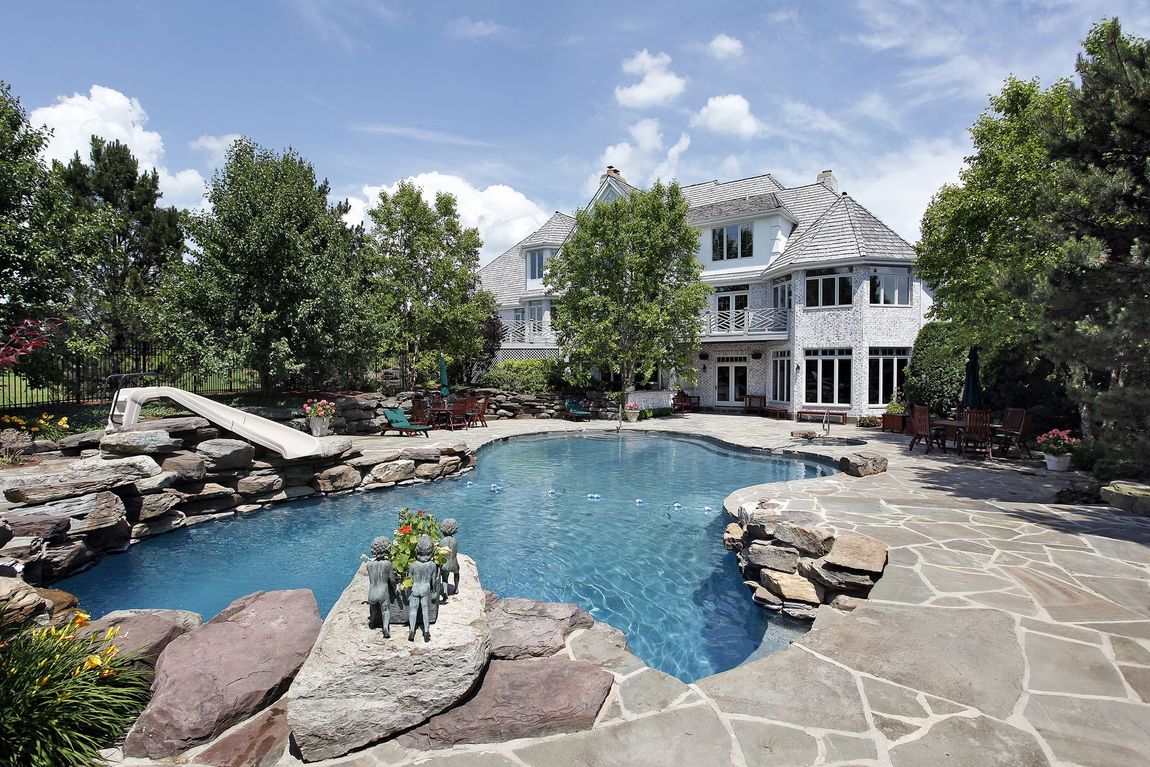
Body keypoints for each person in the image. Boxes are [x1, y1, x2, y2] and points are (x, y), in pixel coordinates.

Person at [408, 534, 440, 642]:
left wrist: (408, 593)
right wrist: (434, 591)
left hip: (415, 588)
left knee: (413, 611)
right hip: (425, 588)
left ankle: (412, 630)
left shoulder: (413, 565)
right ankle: (426, 631)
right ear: (431, 552)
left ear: (417, 551)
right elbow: (434, 580)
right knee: (425, 610)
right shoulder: (432, 565)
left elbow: (409, 580)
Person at [366, 536, 396, 638]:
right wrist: (395, 588)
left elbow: (371, 580)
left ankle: (373, 622)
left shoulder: (369, 565)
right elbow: (392, 579)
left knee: (373, 607)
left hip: (372, 592)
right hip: (383, 592)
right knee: (385, 610)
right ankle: (385, 628)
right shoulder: (387, 564)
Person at [439, 518, 460, 600]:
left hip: (445, 565)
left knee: (444, 578)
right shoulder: (455, 541)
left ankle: (445, 591)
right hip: (454, 564)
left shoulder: (442, 541)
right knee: (457, 573)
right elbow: (454, 553)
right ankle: (456, 588)